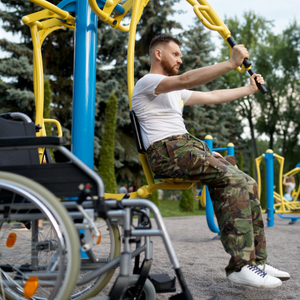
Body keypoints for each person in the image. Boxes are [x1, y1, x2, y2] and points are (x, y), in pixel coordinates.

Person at [132, 35, 290, 289]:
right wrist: (230, 63)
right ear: (158, 54)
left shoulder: (176, 93)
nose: (180, 59)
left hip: (185, 147)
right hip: (167, 151)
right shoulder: (148, 82)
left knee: (247, 182)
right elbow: (185, 79)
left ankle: (257, 262)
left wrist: (248, 89)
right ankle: (239, 266)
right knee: (235, 179)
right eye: (175, 54)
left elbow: (214, 95)